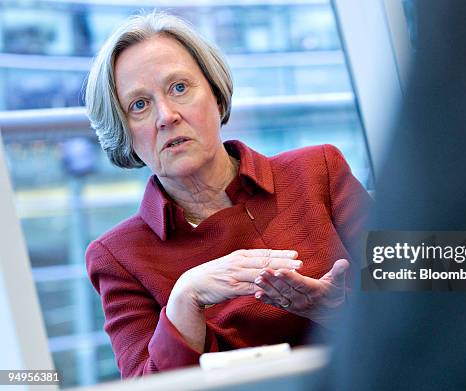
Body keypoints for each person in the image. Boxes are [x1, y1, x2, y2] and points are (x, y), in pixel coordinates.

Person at [84, 11, 370, 378]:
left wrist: (340, 310)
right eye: (139, 105)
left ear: (217, 97)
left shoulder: (318, 170)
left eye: (179, 88)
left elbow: (429, 286)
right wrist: (185, 297)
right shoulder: (118, 256)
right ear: (124, 134)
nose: (166, 116)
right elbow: (147, 385)